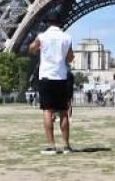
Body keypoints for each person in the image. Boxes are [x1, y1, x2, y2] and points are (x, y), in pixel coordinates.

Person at [28, 16, 74, 155]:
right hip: (61, 77)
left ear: (47, 23)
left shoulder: (42, 36)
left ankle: (51, 146)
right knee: (64, 112)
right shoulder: (67, 37)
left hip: (47, 77)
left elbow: (31, 49)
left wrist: (39, 49)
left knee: (48, 111)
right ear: (60, 24)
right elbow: (70, 58)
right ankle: (66, 146)